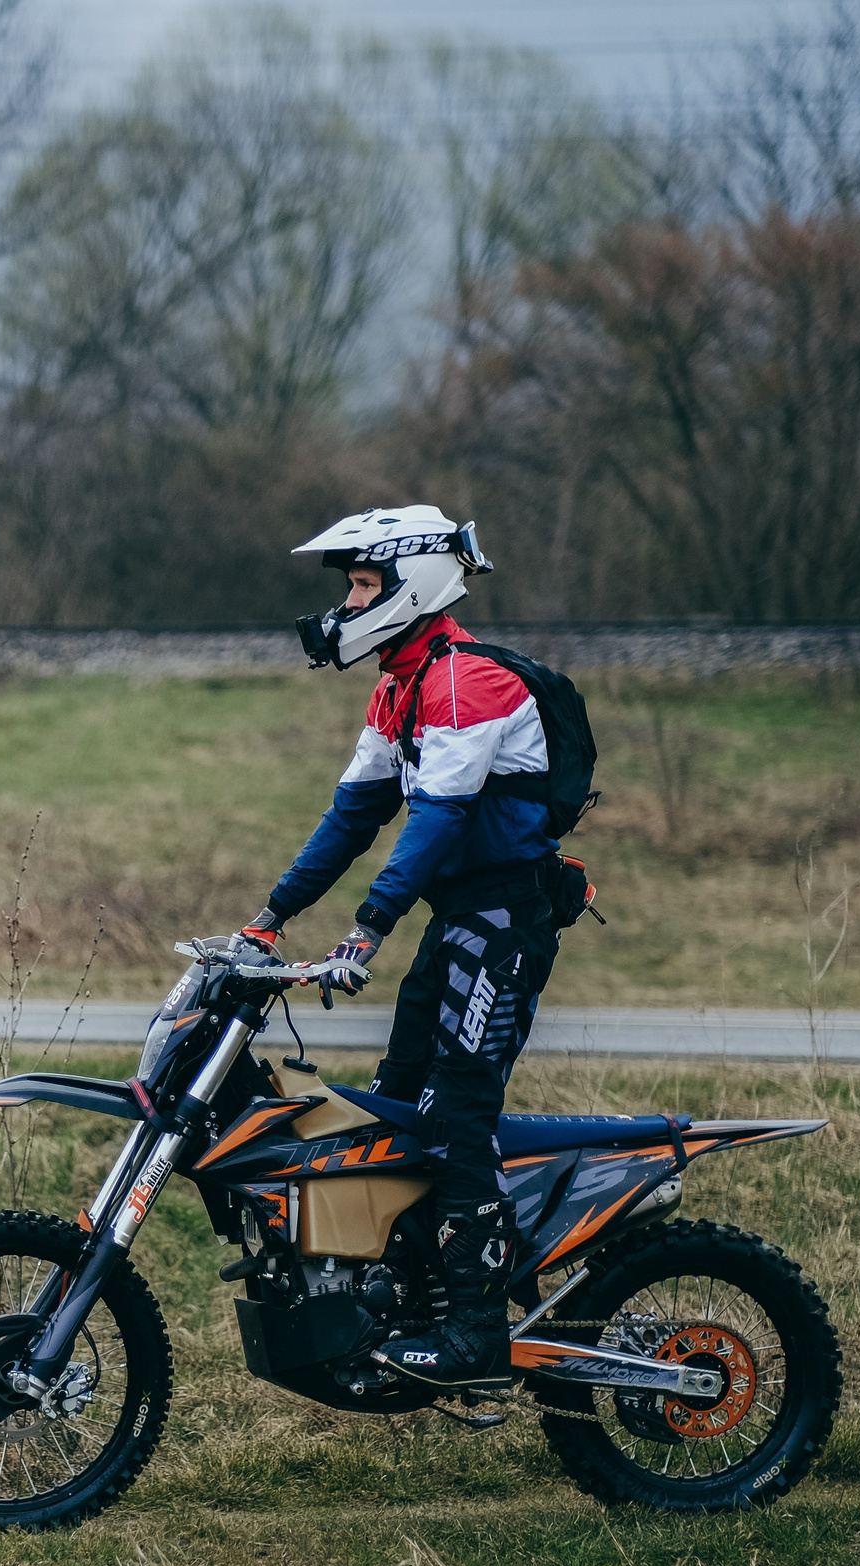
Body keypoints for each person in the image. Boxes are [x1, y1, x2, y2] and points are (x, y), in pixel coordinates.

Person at [239, 504, 564, 1388]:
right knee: (394, 1102)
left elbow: (439, 820)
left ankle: (475, 1335)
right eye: (350, 586)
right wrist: (267, 918)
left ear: (411, 582)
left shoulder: (467, 681)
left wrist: (367, 928)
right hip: (459, 925)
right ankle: (407, 1290)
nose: (347, 604)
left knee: (458, 1113)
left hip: (501, 925)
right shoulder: (401, 683)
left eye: (362, 584)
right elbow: (352, 817)